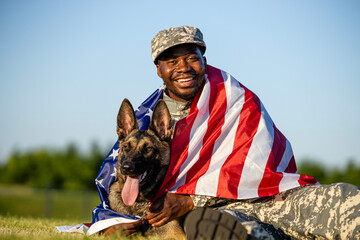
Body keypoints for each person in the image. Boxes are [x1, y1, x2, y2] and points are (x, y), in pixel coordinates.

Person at [92, 26, 360, 239]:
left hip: (271, 199)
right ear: (159, 70)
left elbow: (255, 163)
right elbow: (119, 186)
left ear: (203, 61)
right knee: (212, 228)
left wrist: (190, 200)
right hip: (220, 215)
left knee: (345, 199)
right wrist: (113, 224)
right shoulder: (146, 121)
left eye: (191, 58)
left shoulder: (236, 102)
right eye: (172, 61)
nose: (183, 67)